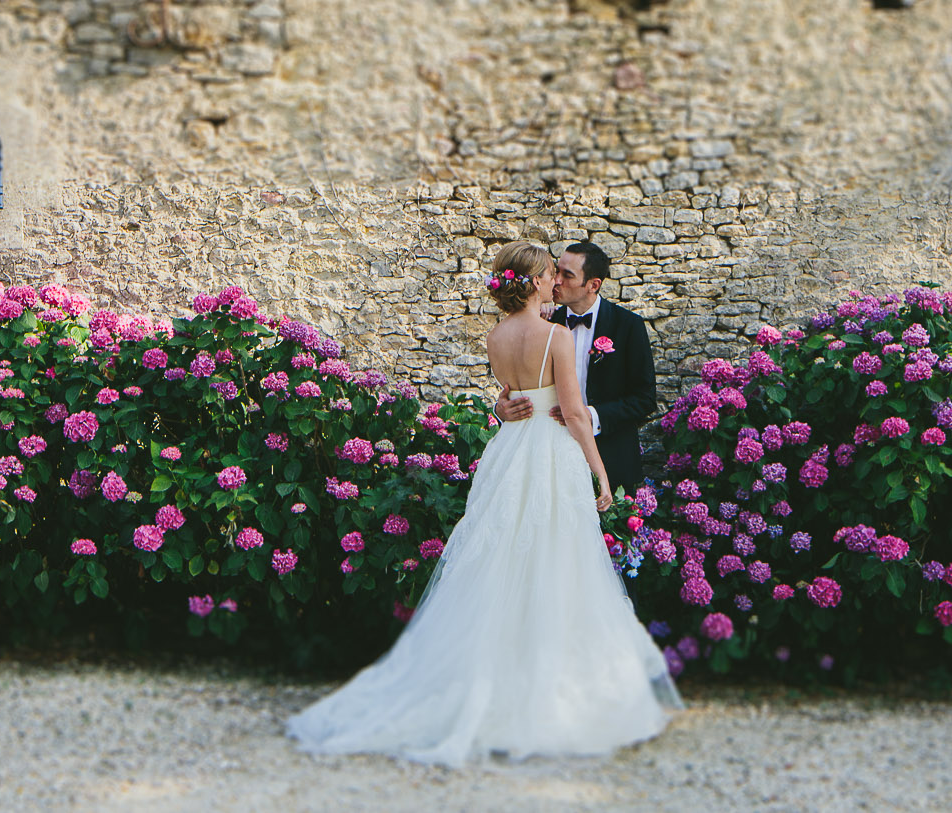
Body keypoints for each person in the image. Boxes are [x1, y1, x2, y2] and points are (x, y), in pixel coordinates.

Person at [286, 240, 680, 764]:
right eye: (550, 274)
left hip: (511, 453)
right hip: (551, 453)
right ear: (536, 282)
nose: (555, 281)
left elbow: (517, 390)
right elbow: (573, 414)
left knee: (503, 558)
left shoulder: (496, 335)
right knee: (556, 560)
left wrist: (508, 401)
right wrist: (601, 476)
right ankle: (546, 694)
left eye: (563, 274)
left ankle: (498, 678)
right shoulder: (556, 334)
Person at [495, 240, 656, 493]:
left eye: (567, 275)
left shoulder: (628, 326)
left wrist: (590, 416)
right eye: (556, 271)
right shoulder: (545, 325)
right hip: (548, 458)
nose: (556, 280)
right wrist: (502, 407)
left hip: (610, 454)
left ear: (593, 285)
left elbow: (645, 399)